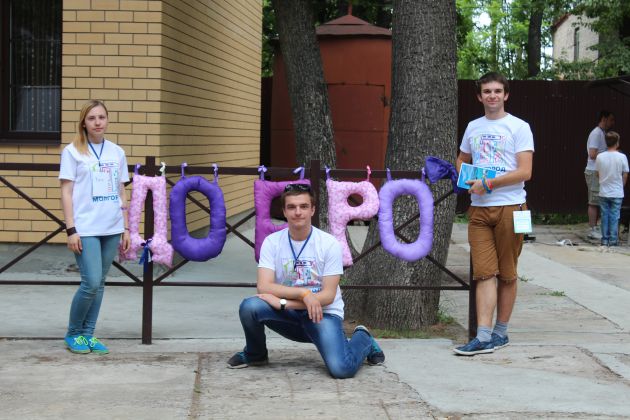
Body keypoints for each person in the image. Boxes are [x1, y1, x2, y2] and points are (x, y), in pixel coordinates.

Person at [227, 184, 384, 378]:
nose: (298, 212)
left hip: (322, 315)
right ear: (284, 211)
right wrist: (304, 294)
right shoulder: (272, 242)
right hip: (290, 315)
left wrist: (284, 303)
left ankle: (364, 338)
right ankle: (255, 354)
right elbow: (264, 286)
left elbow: (328, 296)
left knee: (342, 369)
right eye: (291, 207)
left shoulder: (329, 244)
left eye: (303, 206)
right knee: (249, 307)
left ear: (312, 210)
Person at [454, 72, 534, 356]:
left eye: (497, 91)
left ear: (506, 95)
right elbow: (462, 159)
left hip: (511, 207)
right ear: (480, 96)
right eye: (487, 91)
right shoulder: (473, 127)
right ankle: (483, 336)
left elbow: (525, 171)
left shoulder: (519, 126)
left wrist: (489, 183)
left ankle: (501, 333)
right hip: (478, 209)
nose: (492, 96)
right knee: (484, 273)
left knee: (508, 274)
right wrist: (466, 179)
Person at [59, 100, 130, 354]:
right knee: (89, 282)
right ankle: (73, 333)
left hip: (111, 226)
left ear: (107, 120)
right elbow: (66, 192)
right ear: (83, 123)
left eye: (101, 117)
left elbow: (122, 190)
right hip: (86, 228)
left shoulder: (117, 152)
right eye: (91, 118)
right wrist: (71, 229)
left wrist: (126, 228)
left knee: (99, 282)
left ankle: (88, 335)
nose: (98, 122)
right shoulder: (72, 152)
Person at [585, 110, 615, 240]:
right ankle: (592, 229)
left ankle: (597, 227)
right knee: (593, 201)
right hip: (593, 171)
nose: (612, 123)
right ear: (604, 119)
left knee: (599, 200)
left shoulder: (602, 133)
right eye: (611, 120)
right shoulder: (596, 133)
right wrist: (609, 153)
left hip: (600, 171)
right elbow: (592, 154)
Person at [595, 131, 629, 246]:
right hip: (617, 192)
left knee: (604, 216)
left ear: (606, 142)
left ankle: (605, 239)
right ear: (617, 143)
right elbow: (625, 174)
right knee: (615, 216)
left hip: (603, 191)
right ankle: (613, 240)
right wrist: (621, 186)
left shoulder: (600, 157)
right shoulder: (622, 157)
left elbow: (597, 173)